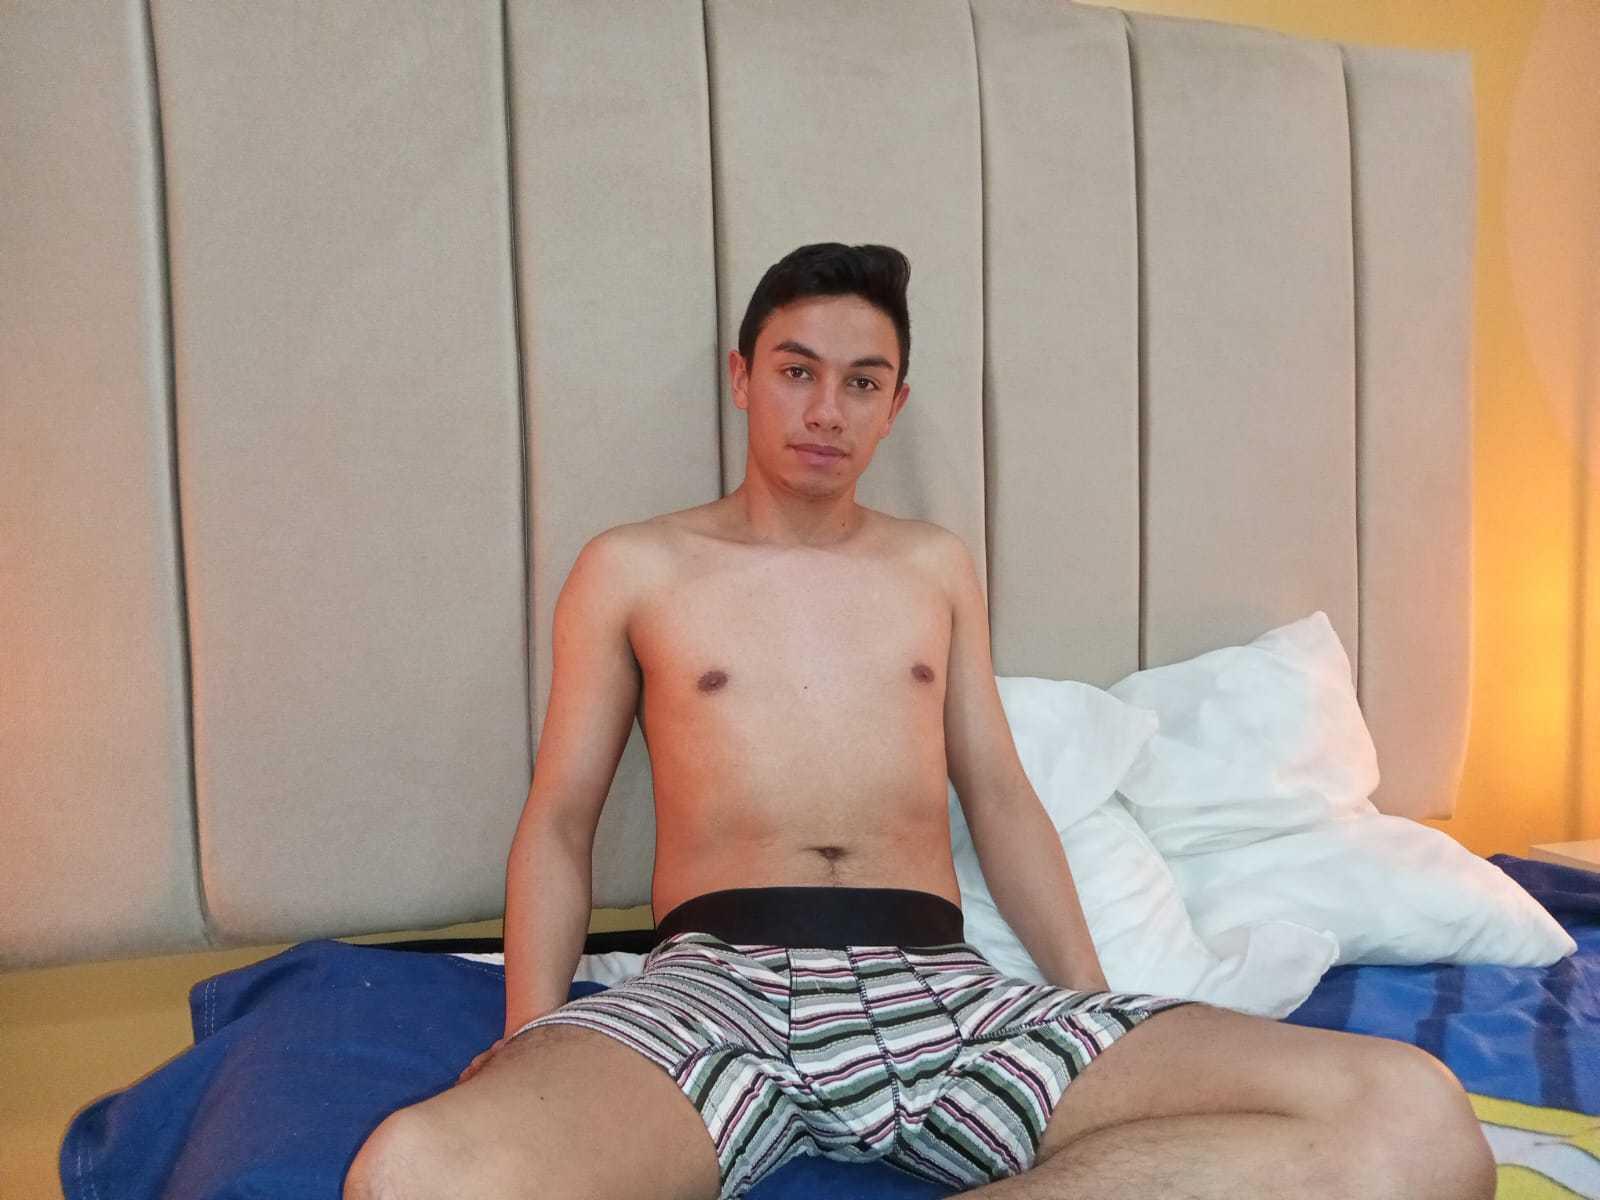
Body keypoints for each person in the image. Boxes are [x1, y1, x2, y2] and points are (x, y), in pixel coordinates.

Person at [342, 243, 1495, 1200]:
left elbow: (998, 796)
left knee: (1416, 1120)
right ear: (741, 378)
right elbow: (560, 819)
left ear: (894, 404)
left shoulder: (933, 567)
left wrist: (1088, 1000)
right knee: (412, 1174)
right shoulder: (633, 568)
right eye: (796, 372)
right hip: (716, 987)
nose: (825, 410)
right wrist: (535, 1030)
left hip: (945, 992)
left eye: (861, 382)